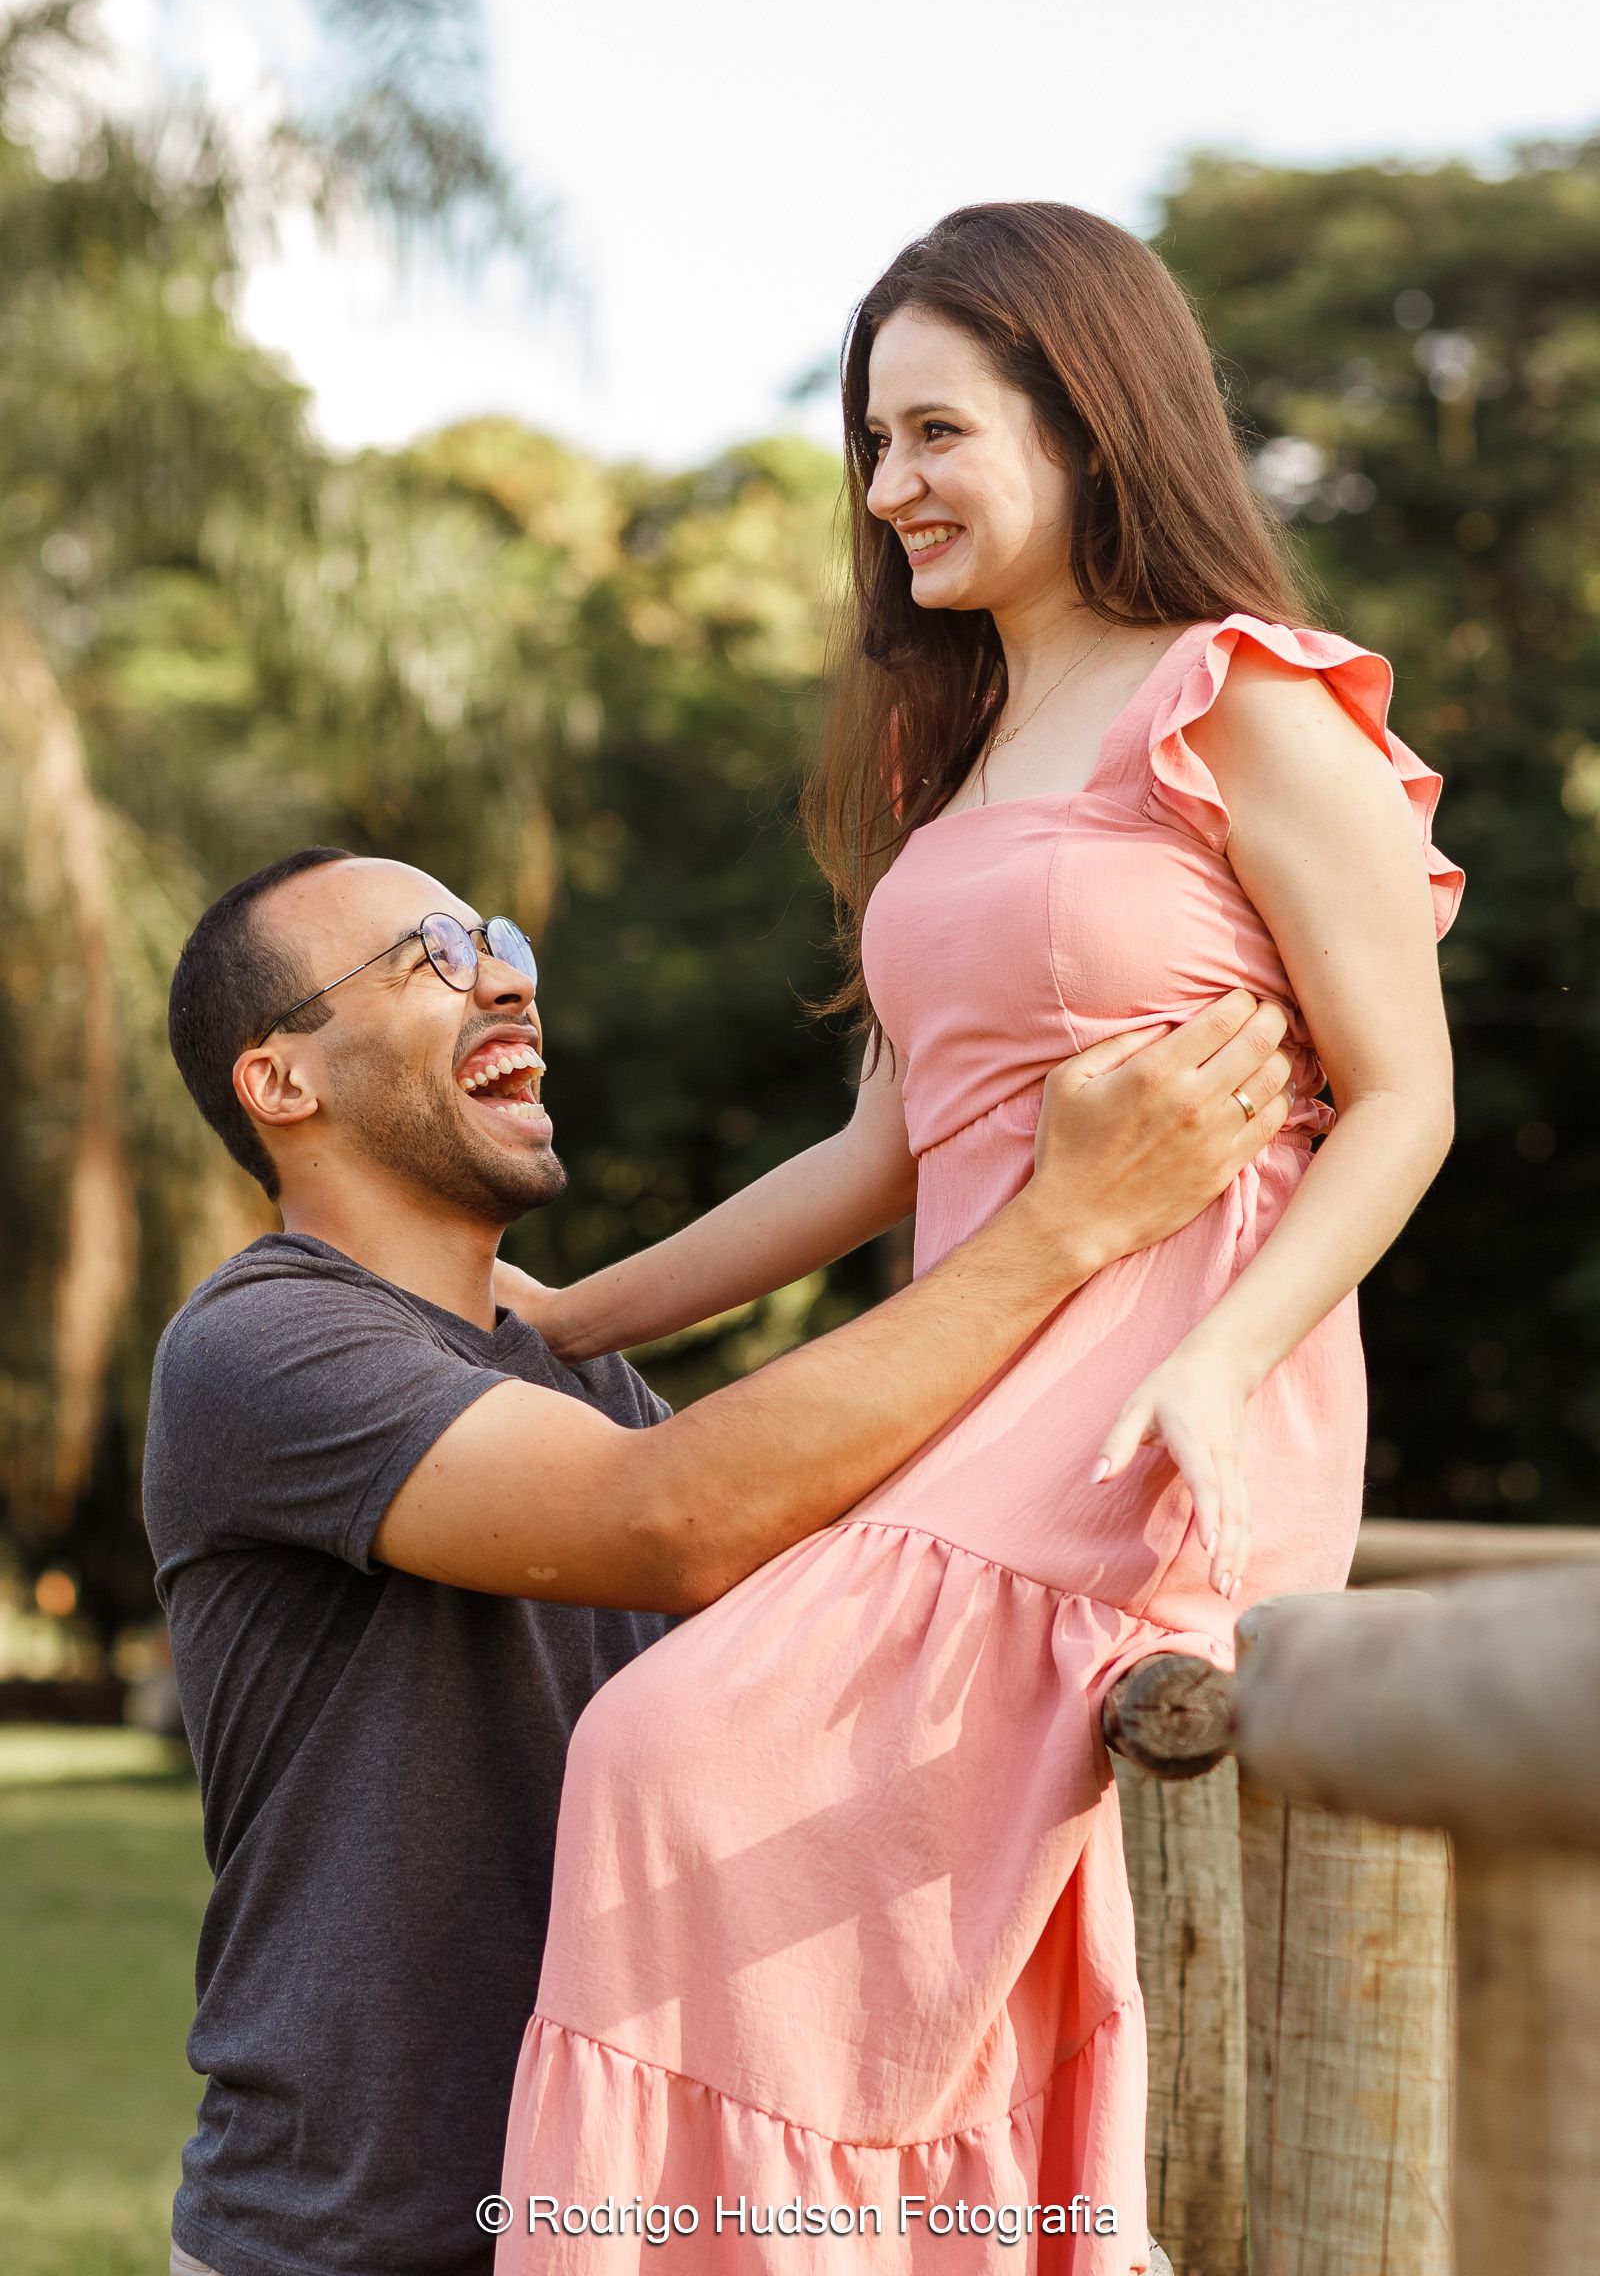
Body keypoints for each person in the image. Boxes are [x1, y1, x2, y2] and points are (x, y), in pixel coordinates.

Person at [494, 203, 1463, 2273]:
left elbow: (1403, 1101)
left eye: (931, 434)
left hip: (1161, 1417)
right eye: (870, 444)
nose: (882, 492)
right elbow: (871, 1158)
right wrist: (568, 1314)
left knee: (666, 1742)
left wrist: (1211, 1364)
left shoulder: (1242, 703)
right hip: (972, 1397)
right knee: (674, 1764)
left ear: (1088, 424)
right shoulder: (968, 758)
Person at [146, 841, 1291, 2276]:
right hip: (356, 2245)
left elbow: (843, 1567)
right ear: (281, 1084)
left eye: (499, 942)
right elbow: (672, 1520)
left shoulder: (561, 1379)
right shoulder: (259, 1346)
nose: (507, 978)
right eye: (432, 957)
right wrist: (1064, 1224)